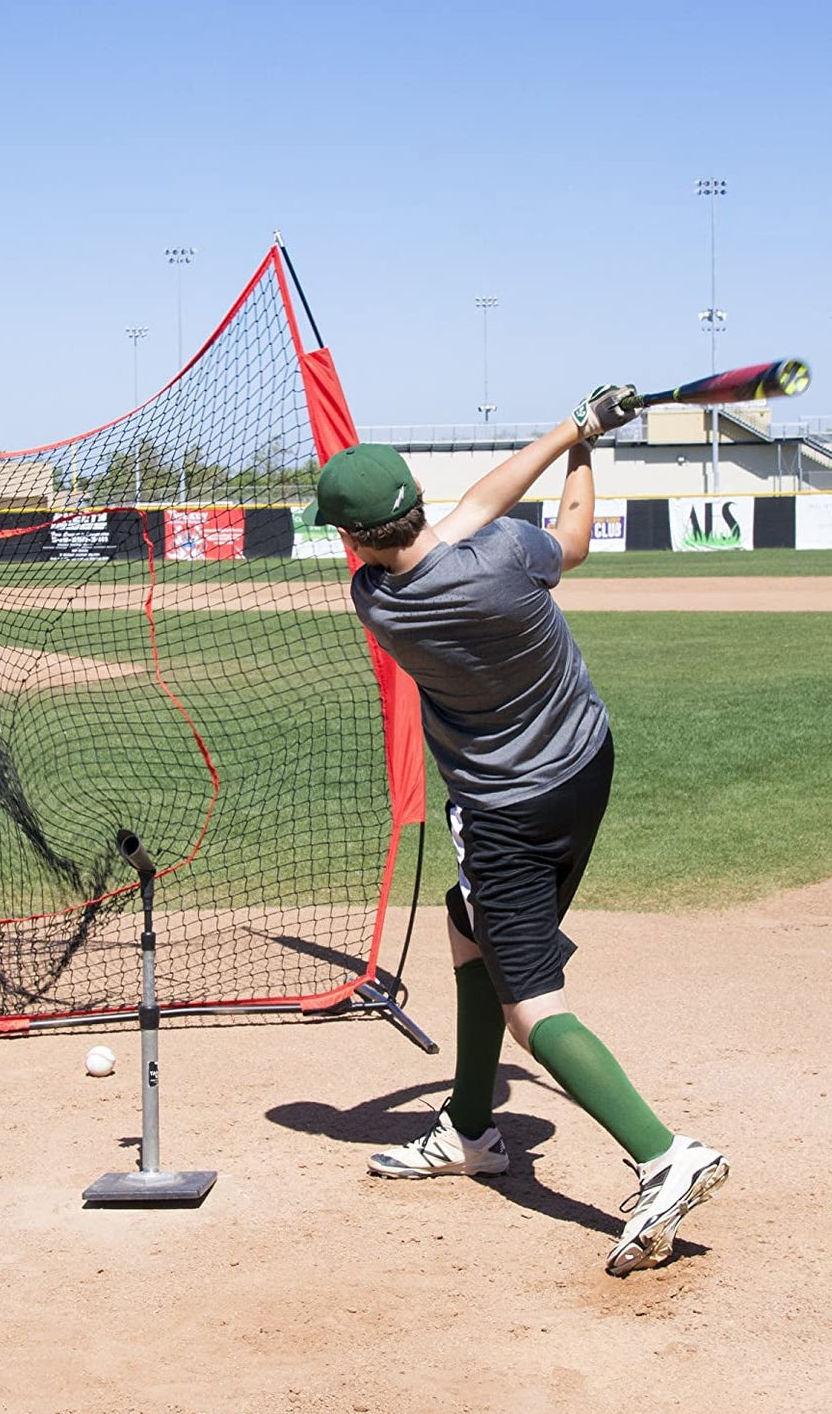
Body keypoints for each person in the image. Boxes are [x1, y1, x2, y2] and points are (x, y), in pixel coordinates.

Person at [306, 386, 727, 1277]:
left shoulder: (374, 599)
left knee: (528, 1001)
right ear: (415, 498)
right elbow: (549, 531)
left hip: (503, 810)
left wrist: (576, 427)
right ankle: (469, 1126)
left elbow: (464, 517)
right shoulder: (504, 558)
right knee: (468, 927)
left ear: (352, 539)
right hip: (584, 763)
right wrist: (582, 443)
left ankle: (662, 1154)